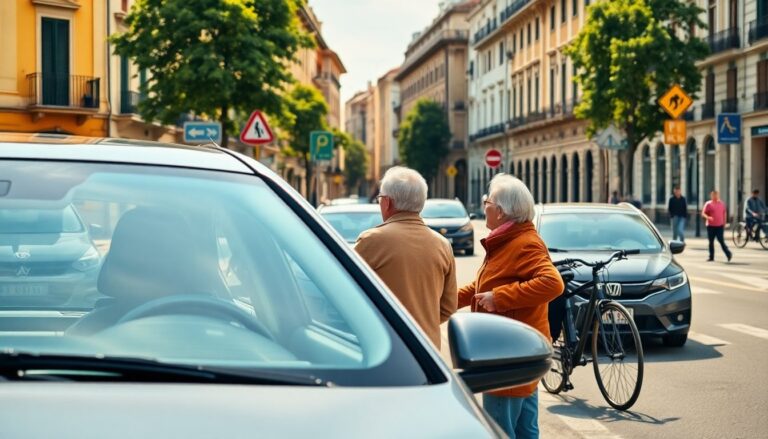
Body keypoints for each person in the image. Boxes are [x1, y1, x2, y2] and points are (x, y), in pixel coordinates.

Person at [457, 174, 563, 439]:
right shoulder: (508, 240)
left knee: (500, 431)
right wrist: (445, 301)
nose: (484, 205)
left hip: (508, 355)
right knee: (525, 430)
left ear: (501, 211)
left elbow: (553, 283)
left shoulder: (524, 243)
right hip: (519, 353)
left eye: (487, 201)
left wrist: (500, 297)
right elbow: (484, 289)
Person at [355, 166, 457, 348]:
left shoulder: (372, 240)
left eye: (379, 199)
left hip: (385, 349)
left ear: (386, 202)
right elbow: (448, 308)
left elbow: (344, 294)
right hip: (429, 353)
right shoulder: (442, 244)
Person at [702, 190, 732, 262]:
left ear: (718, 195)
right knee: (711, 241)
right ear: (711, 196)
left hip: (719, 226)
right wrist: (708, 217)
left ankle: (728, 254)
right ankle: (711, 257)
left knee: (721, 240)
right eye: (713, 195)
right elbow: (703, 213)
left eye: (716, 195)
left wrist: (724, 223)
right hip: (710, 226)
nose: (715, 196)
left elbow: (724, 213)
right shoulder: (708, 204)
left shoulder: (722, 204)